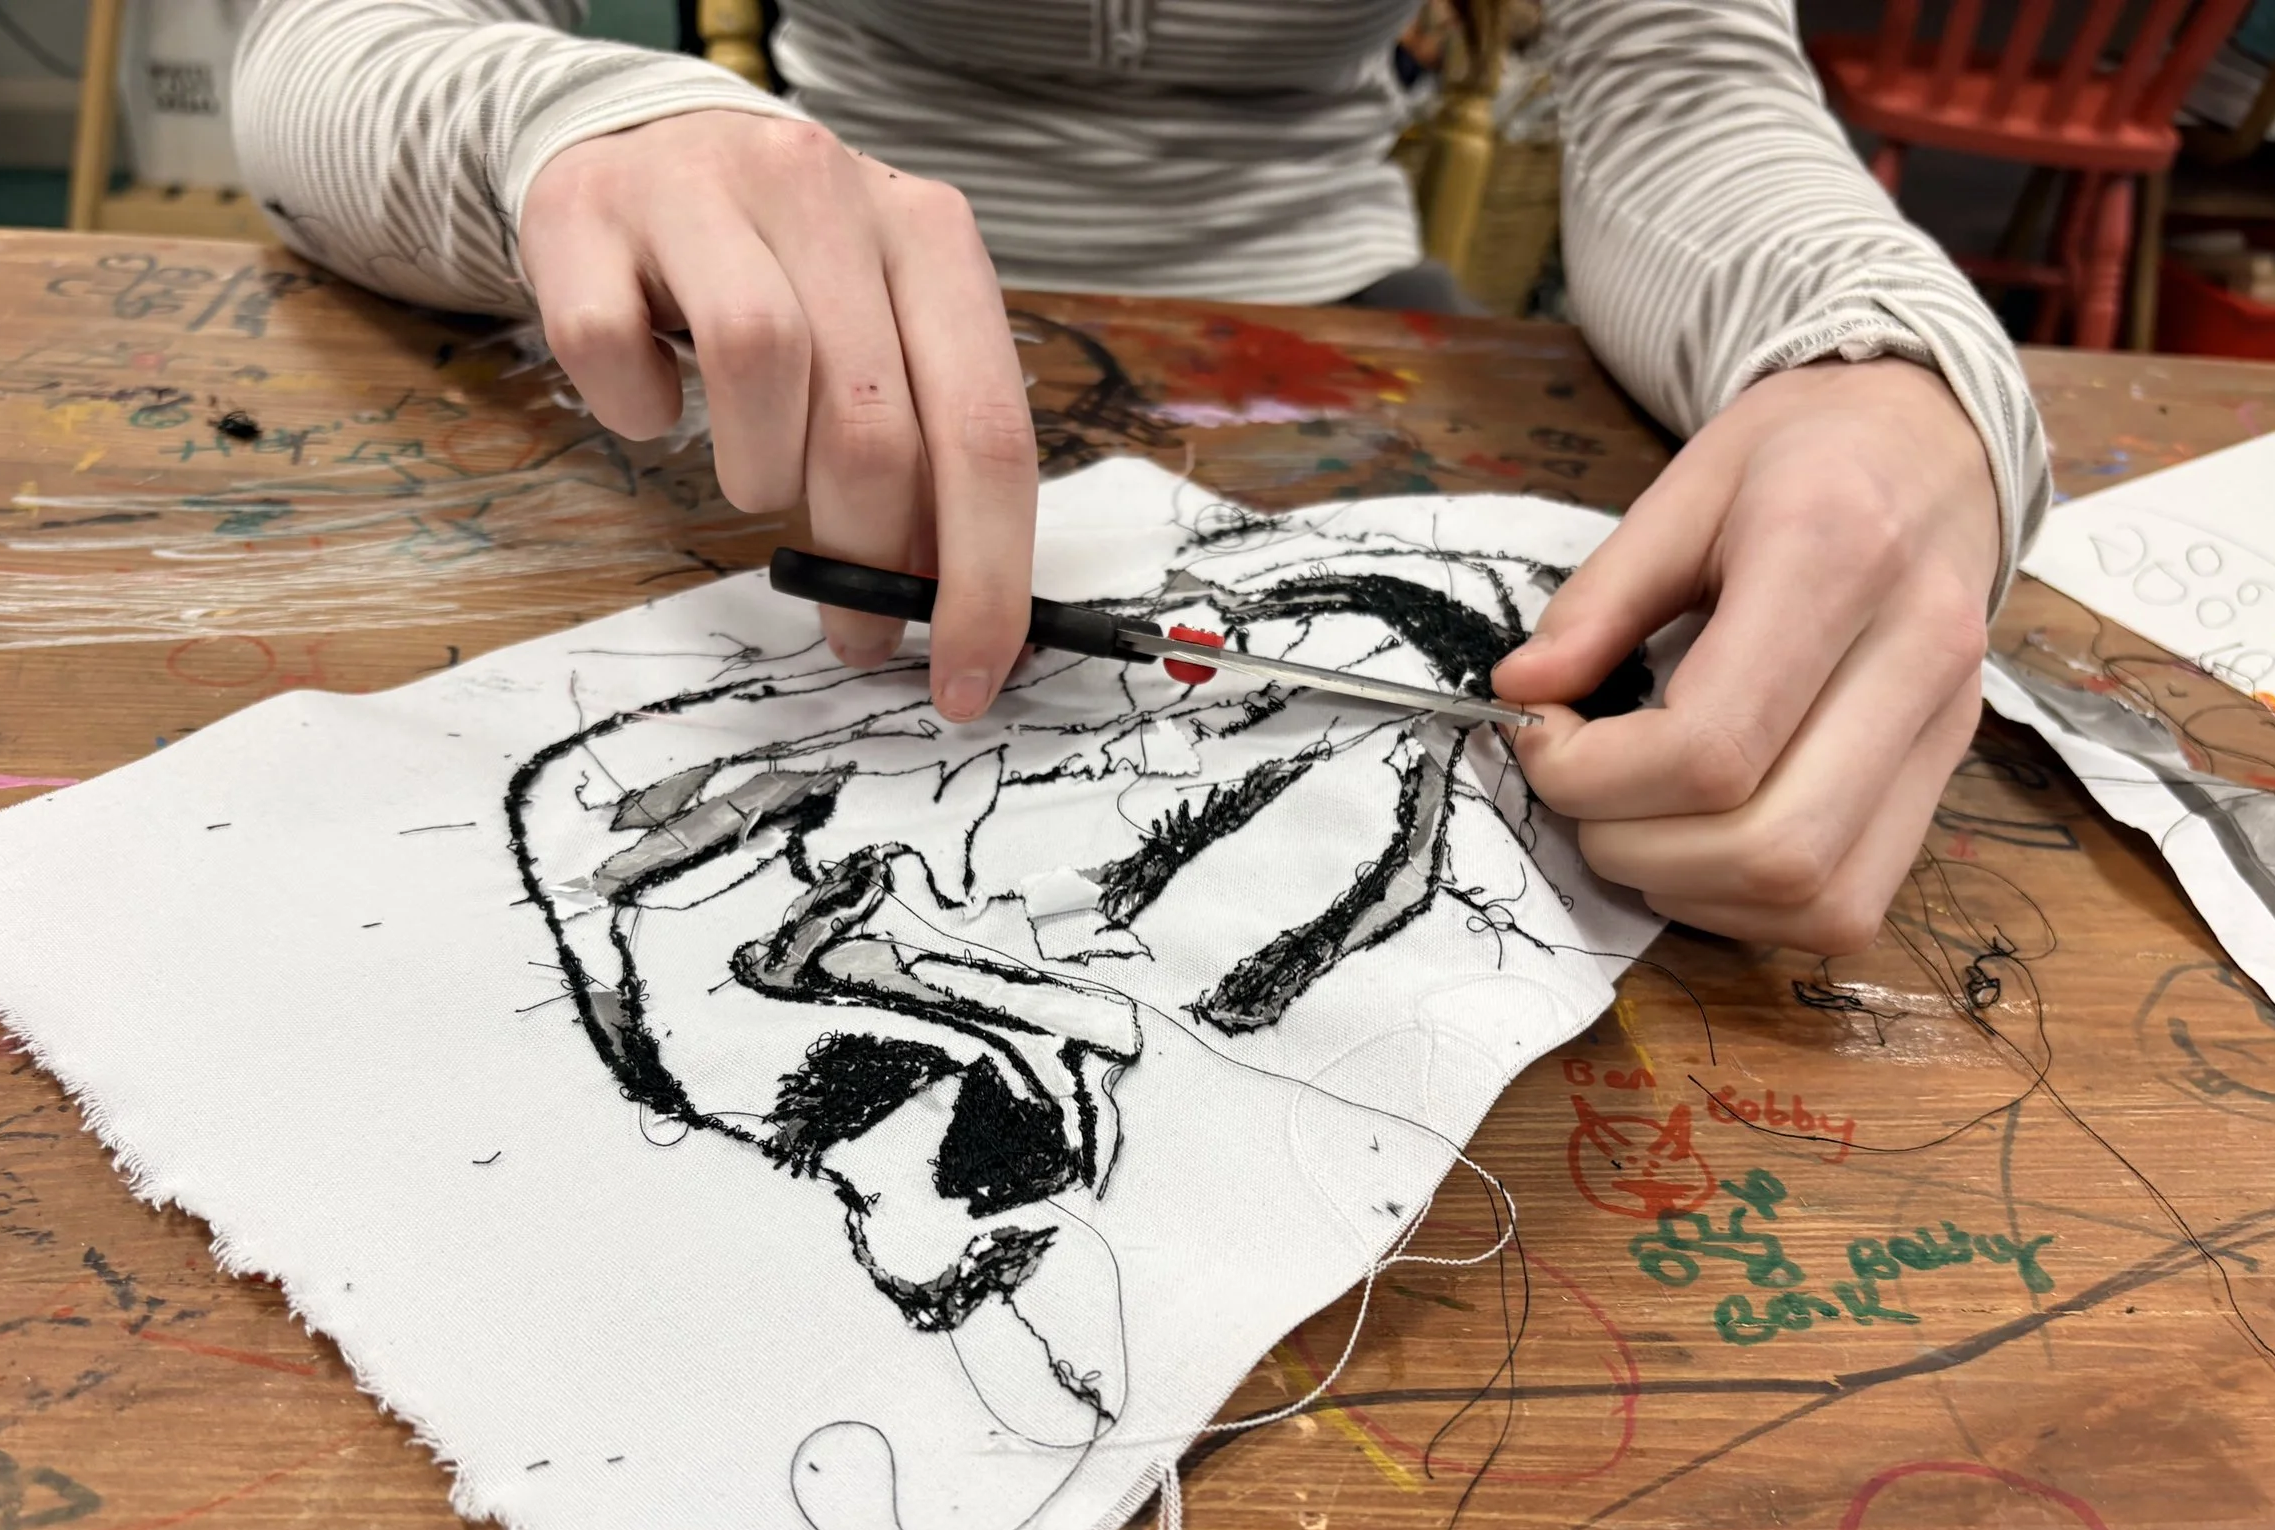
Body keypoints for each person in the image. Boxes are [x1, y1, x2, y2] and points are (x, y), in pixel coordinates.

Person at [231, 0, 2049, 957]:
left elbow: (1688, 87)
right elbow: (326, 41)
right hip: (793, 312)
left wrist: (1888, 372)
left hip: (1340, 310)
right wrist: (575, 122)